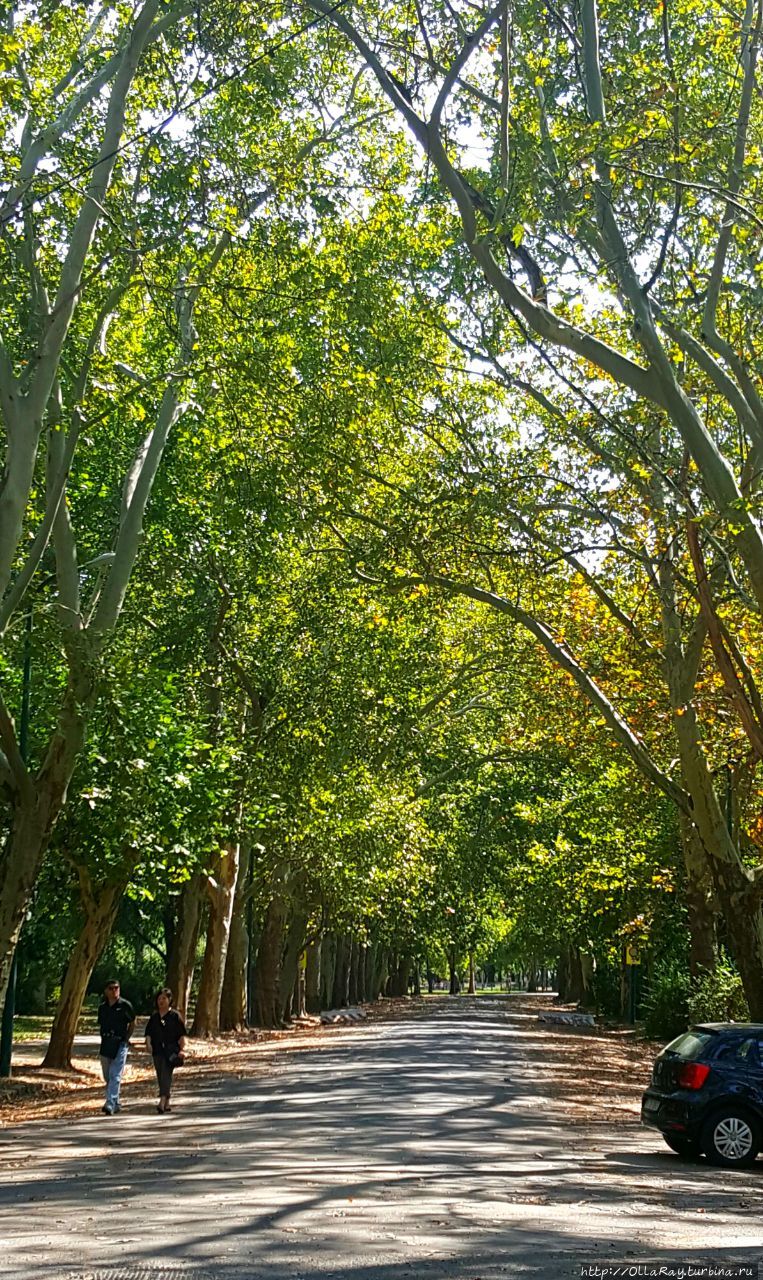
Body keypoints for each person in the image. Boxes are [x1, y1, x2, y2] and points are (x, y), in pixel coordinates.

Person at [144, 987, 187, 1114]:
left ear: (169, 1000)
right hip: (157, 1050)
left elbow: (181, 1035)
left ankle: (162, 1101)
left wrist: (182, 1050)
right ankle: (167, 1100)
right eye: (159, 999)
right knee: (160, 1075)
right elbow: (148, 1033)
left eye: (164, 998)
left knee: (166, 1074)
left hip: (171, 1051)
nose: (161, 1001)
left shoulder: (175, 1016)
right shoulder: (154, 1017)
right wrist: (148, 1044)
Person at [97, 978, 135, 1115]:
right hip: (106, 1043)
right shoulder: (102, 1008)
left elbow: (132, 1022)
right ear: (106, 991)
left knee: (115, 1075)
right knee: (108, 1076)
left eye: (116, 988)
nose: (114, 991)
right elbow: (101, 1024)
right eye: (111, 988)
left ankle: (110, 1103)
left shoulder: (125, 1005)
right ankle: (116, 1102)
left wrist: (126, 1038)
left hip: (120, 1043)